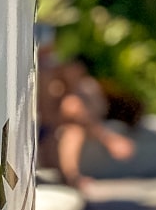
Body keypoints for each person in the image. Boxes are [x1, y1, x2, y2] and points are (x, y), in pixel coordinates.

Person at [36, 33, 134, 195]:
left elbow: (94, 112)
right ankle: (72, 178)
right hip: (39, 135)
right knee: (73, 115)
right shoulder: (47, 79)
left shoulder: (82, 87)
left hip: (51, 135)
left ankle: (71, 178)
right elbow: (57, 114)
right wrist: (109, 139)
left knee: (74, 131)